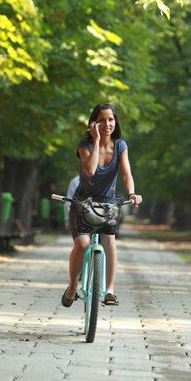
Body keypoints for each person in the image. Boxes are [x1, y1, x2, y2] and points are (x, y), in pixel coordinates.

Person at [61, 103, 142, 307]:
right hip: (83, 203)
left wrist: (132, 193)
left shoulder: (121, 146)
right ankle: (72, 286)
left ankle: (110, 290)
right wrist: (96, 140)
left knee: (110, 241)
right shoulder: (85, 145)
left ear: (116, 122)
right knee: (82, 244)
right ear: (94, 123)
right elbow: (89, 171)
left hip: (107, 204)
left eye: (111, 119)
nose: (107, 124)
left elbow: (125, 174)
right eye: (102, 120)